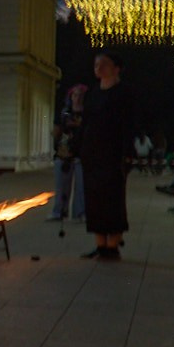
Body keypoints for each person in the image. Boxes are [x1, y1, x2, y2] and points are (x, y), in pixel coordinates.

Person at [79, 50, 136, 260]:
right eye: (96, 64)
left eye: (104, 64)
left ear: (116, 68)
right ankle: (100, 243)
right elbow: (86, 124)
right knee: (94, 198)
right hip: (92, 154)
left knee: (112, 198)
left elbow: (128, 125)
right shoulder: (93, 93)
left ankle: (113, 245)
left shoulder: (123, 93)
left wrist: (127, 153)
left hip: (113, 155)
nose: (99, 68)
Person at [50, 84, 87, 221]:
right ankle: (59, 212)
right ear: (70, 97)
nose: (77, 98)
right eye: (75, 95)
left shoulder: (88, 115)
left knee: (82, 188)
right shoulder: (64, 113)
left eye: (80, 96)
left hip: (82, 155)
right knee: (62, 187)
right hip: (63, 154)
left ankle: (80, 213)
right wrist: (56, 141)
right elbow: (56, 130)